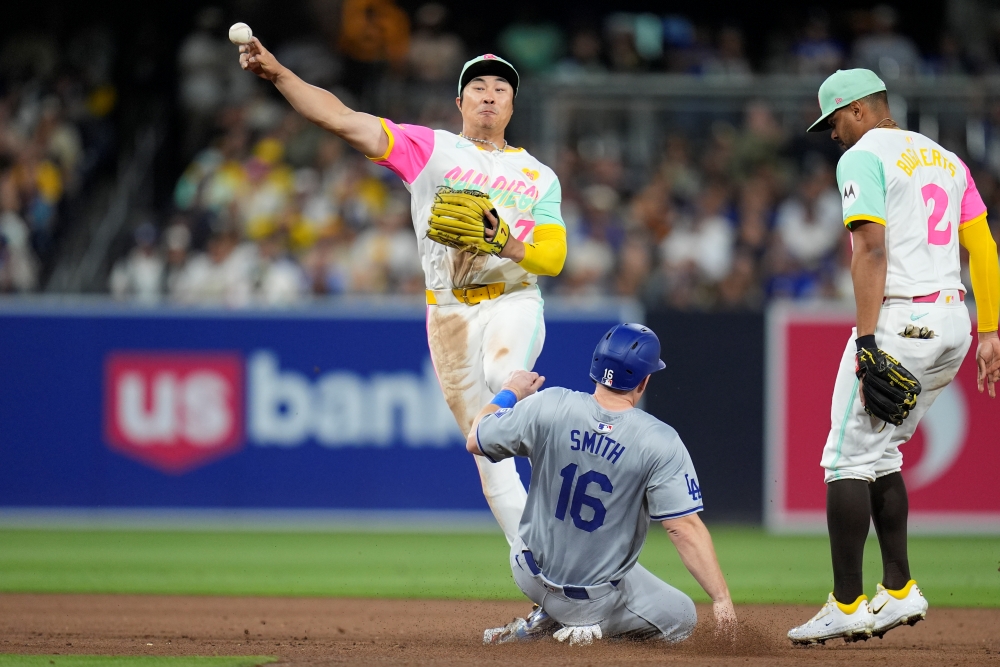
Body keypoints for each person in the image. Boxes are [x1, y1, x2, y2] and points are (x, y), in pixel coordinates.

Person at [239, 42, 567, 544]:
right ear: (459, 103)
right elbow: (343, 119)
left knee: (508, 377)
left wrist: (506, 242)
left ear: (512, 106)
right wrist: (282, 73)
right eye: (477, 87)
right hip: (449, 315)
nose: (489, 95)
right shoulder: (431, 149)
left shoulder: (539, 176)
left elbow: (554, 259)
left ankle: (572, 460)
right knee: (487, 460)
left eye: (501, 88)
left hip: (512, 298)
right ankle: (547, 582)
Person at [788, 68, 1000, 645]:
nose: (833, 134)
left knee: (844, 458)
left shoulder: (863, 156)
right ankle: (900, 589)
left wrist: (865, 338)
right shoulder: (948, 159)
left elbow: (871, 247)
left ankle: (847, 602)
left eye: (834, 121)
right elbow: (982, 245)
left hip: (901, 317)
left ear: (858, 110)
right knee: (884, 450)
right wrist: (990, 330)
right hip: (953, 320)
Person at [468, 323, 736, 644]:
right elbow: (683, 529)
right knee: (682, 616)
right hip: (589, 601)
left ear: (595, 366)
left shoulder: (548, 404)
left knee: (618, 571)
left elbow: (476, 438)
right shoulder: (659, 440)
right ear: (645, 379)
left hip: (526, 571)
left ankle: (546, 619)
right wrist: (721, 600)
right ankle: (585, 631)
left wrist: (510, 390)